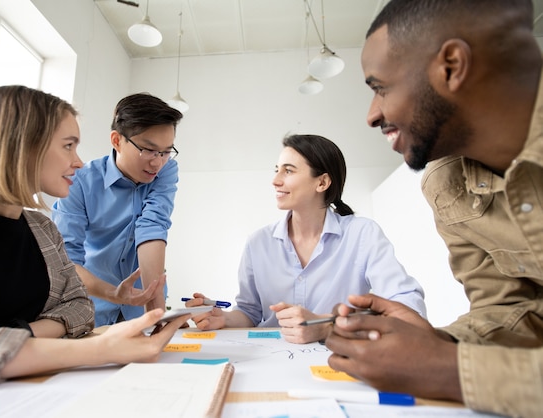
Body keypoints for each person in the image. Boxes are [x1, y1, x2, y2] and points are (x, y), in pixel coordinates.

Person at [325, 1, 543, 417]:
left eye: (380, 87)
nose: (372, 115)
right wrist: (439, 345)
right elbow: (513, 313)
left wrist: (450, 370)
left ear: (451, 66)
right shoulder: (446, 183)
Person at [0, 85, 189, 391]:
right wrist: (93, 348)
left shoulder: (43, 230)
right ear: (22, 146)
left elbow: (79, 308)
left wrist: (21, 336)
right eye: (68, 146)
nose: (78, 161)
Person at [186, 134, 426, 343]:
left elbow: (408, 307)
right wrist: (223, 318)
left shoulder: (362, 234)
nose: (275, 180)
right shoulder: (258, 242)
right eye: (276, 169)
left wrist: (327, 325)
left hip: (336, 356)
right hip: (268, 360)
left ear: (322, 182)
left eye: (288, 170)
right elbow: (250, 311)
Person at [52, 93, 183, 326]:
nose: (157, 162)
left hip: (143, 310)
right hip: (92, 306)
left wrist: (154, 306)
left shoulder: (165, 170)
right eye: (148, 150)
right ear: (116, 140)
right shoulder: (80, 181)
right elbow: (67, 260)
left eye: (165, 152)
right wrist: (113, 294)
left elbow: (153, 226)